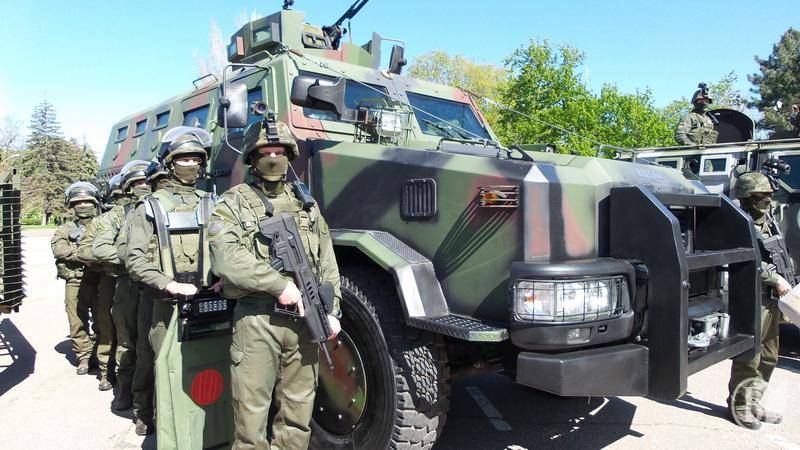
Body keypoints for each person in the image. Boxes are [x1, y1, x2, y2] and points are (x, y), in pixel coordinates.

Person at [208, 119, 342, 449]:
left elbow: (327, 259)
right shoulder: (233, 203)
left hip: (306, 322)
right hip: (258, 320)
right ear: (251, 158)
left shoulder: (305, 203)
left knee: (298, 414)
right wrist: (279, 285)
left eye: (279, 151)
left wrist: (333, 310)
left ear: (289, 155)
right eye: (265, 152)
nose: (272, 157)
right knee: (250, 418)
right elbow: (226, 258)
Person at [124, 128, 216, 436]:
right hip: (166, 304)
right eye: (183, 159)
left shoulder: (213, 202)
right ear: (169, 163)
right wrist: (169, 284)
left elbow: (225, 248)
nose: (190, 164)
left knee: (206, 367)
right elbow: (135, 259)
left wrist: (221, 279)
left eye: (195, 159)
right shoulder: (150, 206)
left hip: (207, 300)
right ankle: (160, 425)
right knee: (164, 369)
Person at [727, 171, 794, 429]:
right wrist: (775, 279)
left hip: (774, 299)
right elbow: (748, 259)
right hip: (755, 298)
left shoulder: (768, 221)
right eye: (762, 195)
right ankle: (739, 406)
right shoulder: (740, 222)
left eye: (769, 194)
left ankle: (753, 401)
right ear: (748, 198)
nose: (768, 199)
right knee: (750, 355)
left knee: (769, 355)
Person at [92, 160, 152, 410]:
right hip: (129, 284)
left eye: (147, 181)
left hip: (158, 285)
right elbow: (100, 248)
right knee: (127, 341)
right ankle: (125, 389)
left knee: (153, 343)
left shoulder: (160, 208)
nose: (143, 186)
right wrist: (135, 258)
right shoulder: (117, 216)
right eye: (138, 183)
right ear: (128, 187)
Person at [51, 182, 112, 388]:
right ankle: (84, 356)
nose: (83, 205)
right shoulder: (65, 228)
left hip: (100, 280)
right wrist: (84, 256)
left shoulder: (103, 224)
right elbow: (59, 249)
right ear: (72, 205)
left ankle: (102, 359)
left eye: (87, 201)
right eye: (78, 202)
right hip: (75, 280)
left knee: (104, 321)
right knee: (76, 320)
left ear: (95, 203)